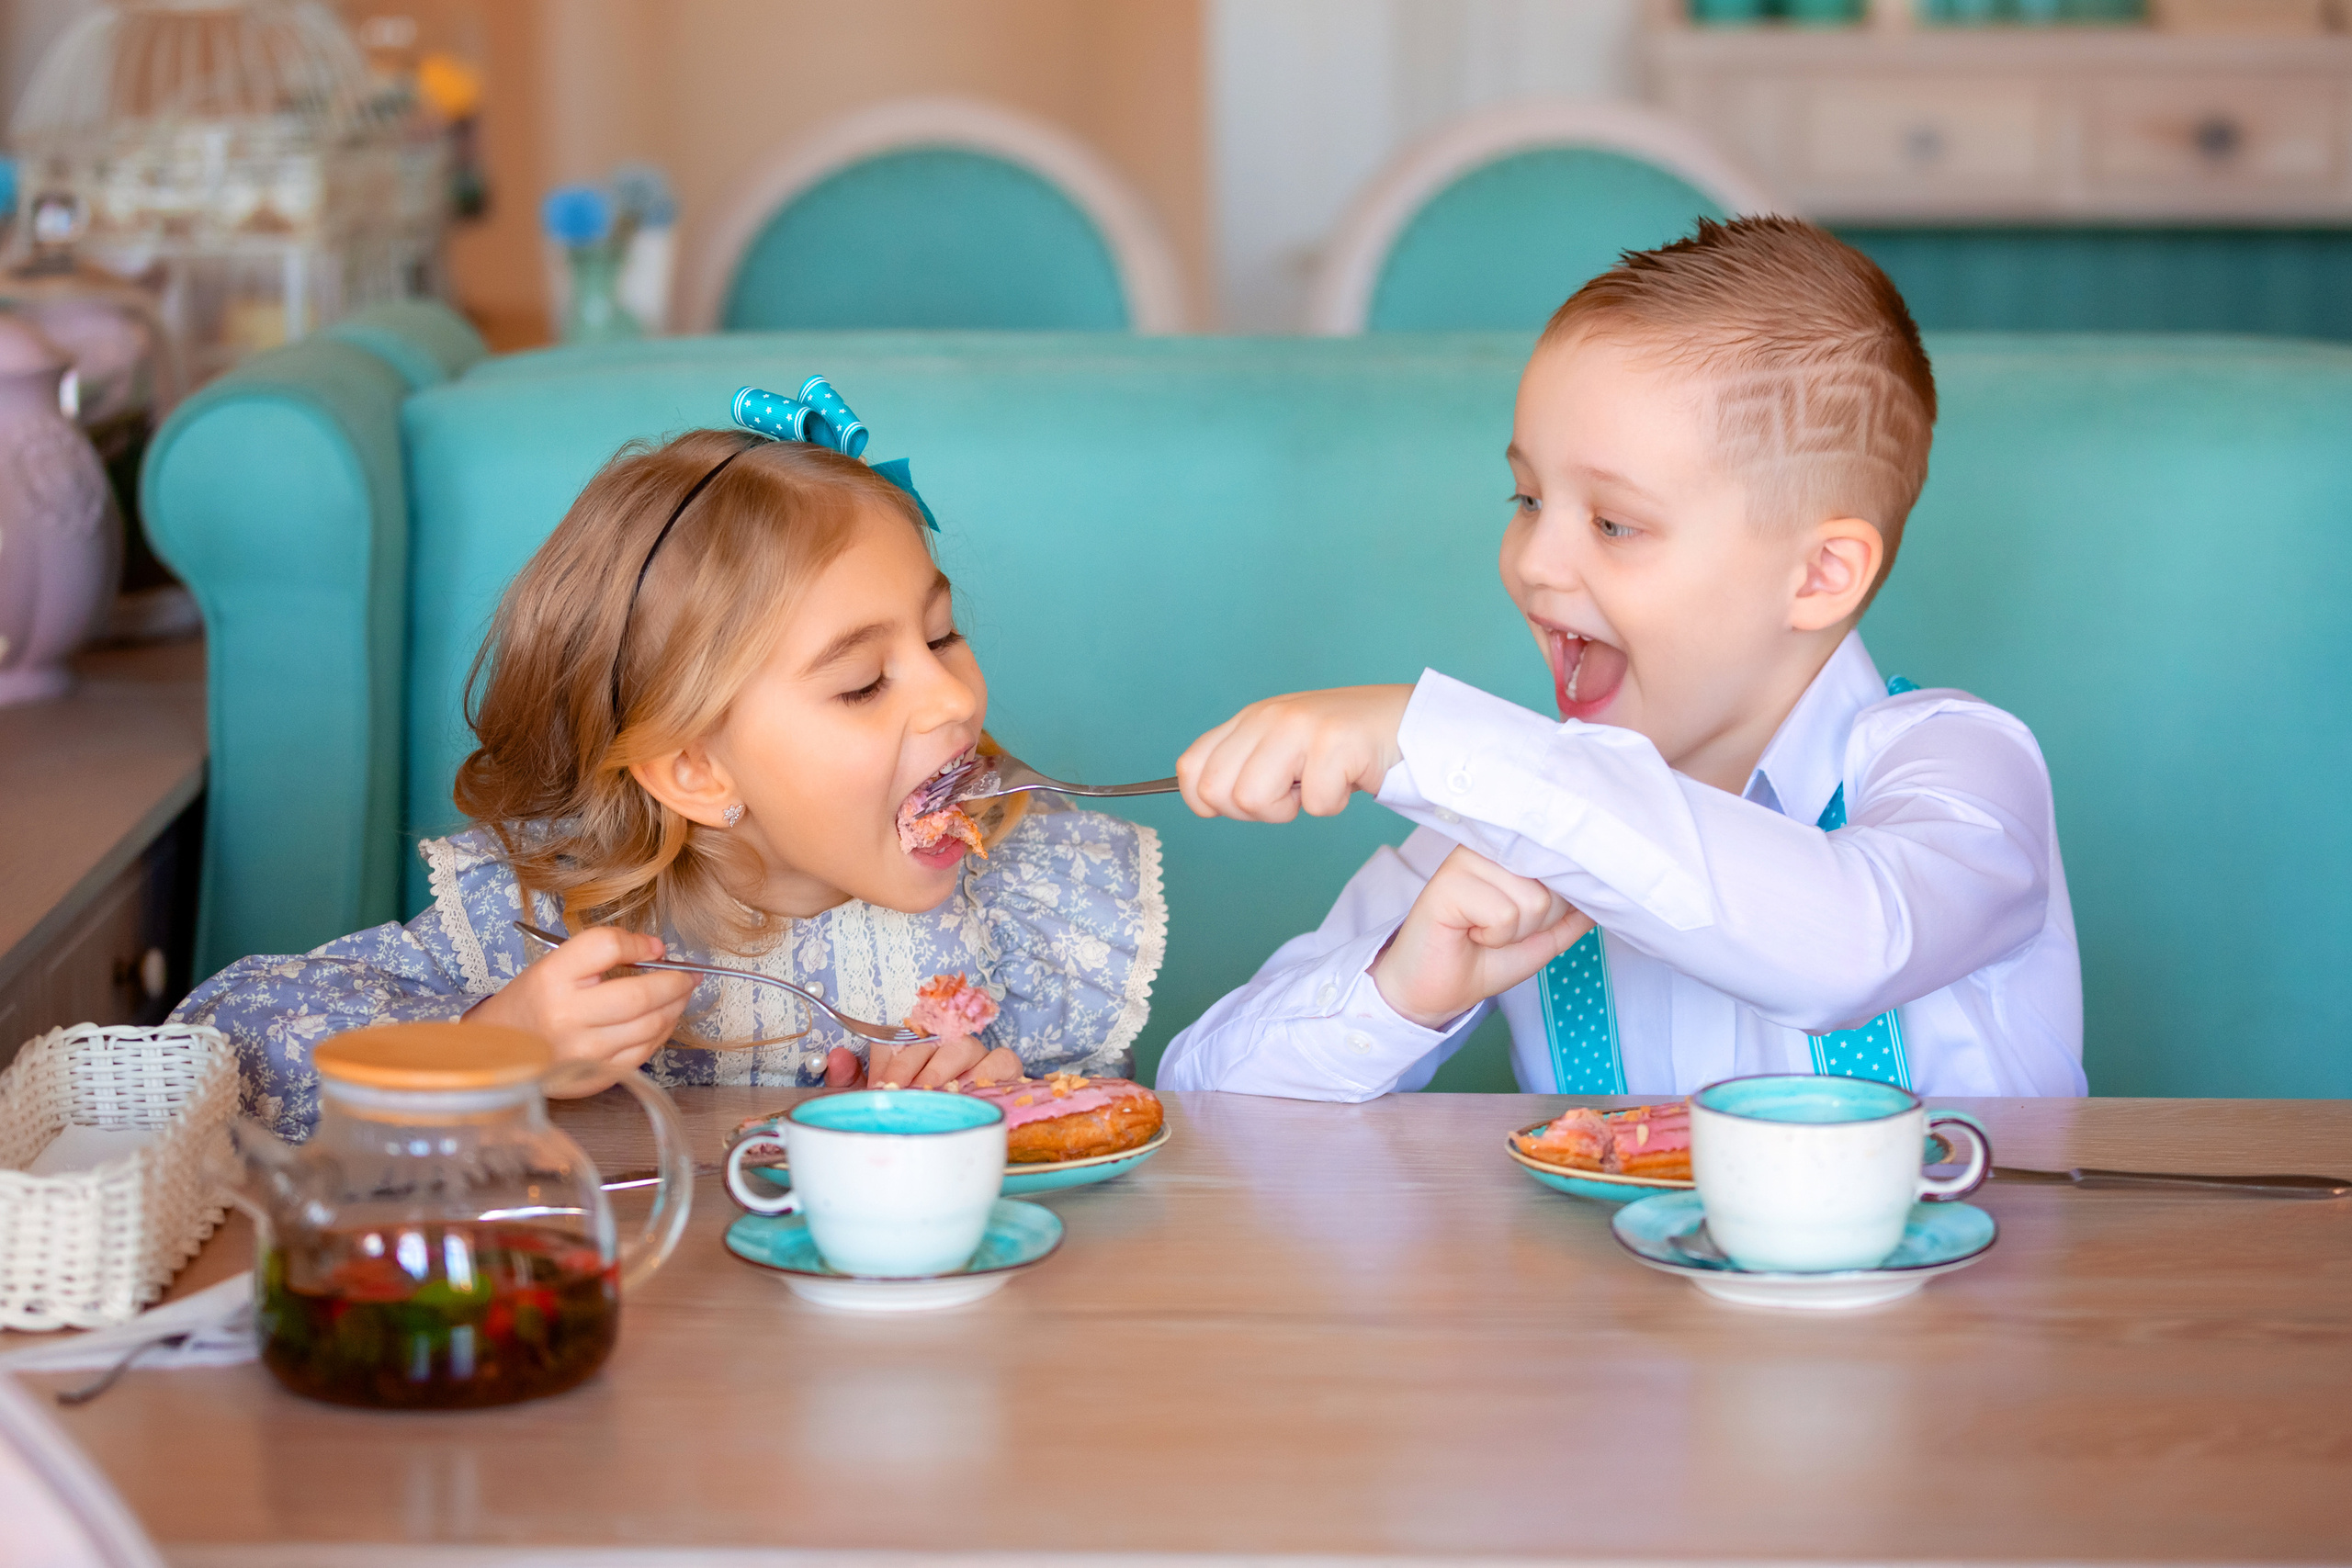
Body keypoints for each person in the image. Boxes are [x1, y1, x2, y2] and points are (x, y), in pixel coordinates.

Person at [1158, 218, 2081, 1101]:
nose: (1531, 562)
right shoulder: (1505, 810)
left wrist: (1415, 735)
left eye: (1613, 523)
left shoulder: (1961, 765)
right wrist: (1400, 989)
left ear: (1817, 575)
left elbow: (1854, 944)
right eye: (1524, 499)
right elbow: (1206, 1092)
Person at [175, 387, 1165, 1139]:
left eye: (942, 637)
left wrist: (993, 1116)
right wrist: (495, 1046)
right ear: (695, 772)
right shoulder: (536, 926)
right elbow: (218, 1049)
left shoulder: (1023, 900)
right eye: (864, 682)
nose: (954, 697)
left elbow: (1096, 1131)